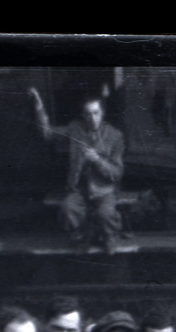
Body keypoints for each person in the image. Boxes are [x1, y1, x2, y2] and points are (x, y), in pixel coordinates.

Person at [29, 88, 129, 252]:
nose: (93, 118)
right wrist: (39, 106)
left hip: (104, 190)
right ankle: (80, 234)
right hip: (79, 189)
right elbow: (47, 133)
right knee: (68, 209)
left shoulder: (114, 135)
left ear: (102, 113)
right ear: (83, 116)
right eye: (88, 114)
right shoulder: (75, 129)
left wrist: (97, 160)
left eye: (96, 113)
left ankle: (110, 236)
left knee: (105, 215)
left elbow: (117, 174)